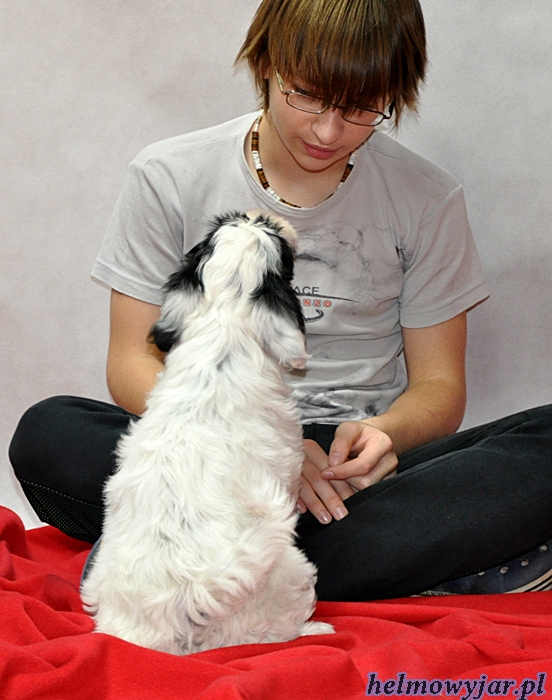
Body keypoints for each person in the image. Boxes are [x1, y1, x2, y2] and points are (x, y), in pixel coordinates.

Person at [9, 0, 552, 601]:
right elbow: (131, 362)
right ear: (266, 62)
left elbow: (441, 387)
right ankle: (406, 560)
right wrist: (260, 449)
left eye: (362, 108)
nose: (328, 132)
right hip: (214, 441)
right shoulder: (168, 175)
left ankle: (196, 554)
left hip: (353, 466)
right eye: (309, 96)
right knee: (48, 432)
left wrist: (386, 436)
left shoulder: (428, 198)